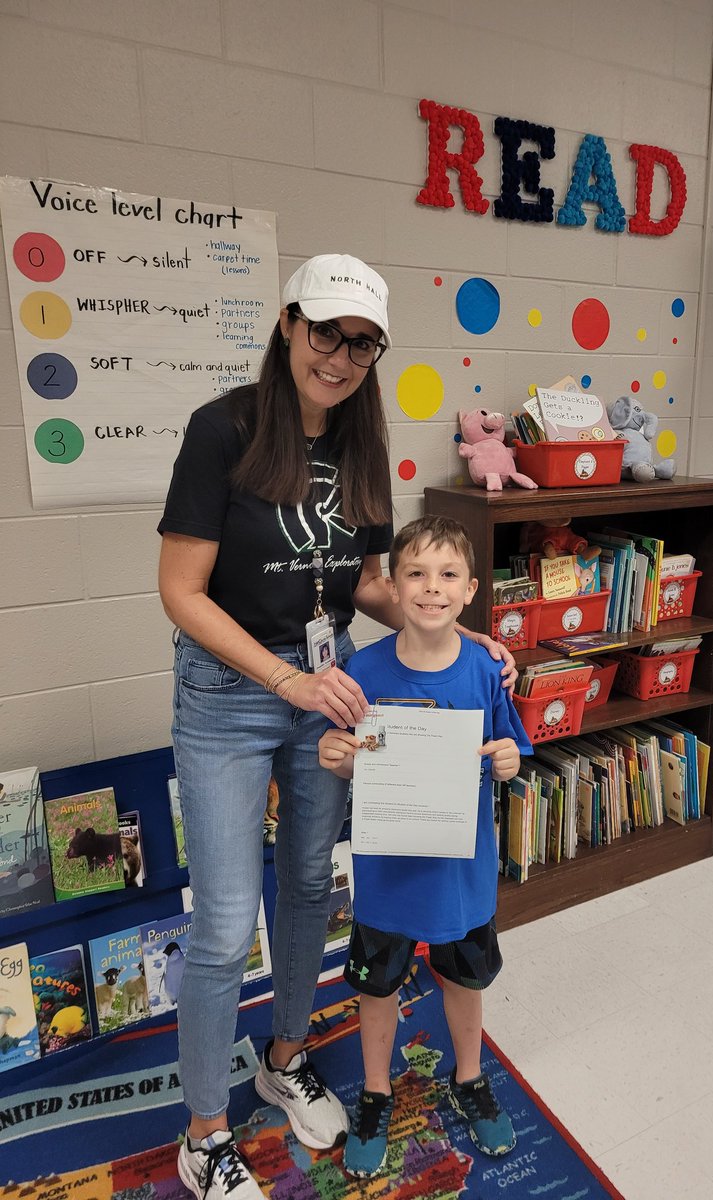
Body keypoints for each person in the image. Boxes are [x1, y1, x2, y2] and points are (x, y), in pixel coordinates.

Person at [157, 257, 515, 1200]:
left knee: (312, 885)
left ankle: (283, 1058)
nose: (342, 356)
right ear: (288, 325)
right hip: (234, 697)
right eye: (326, 332)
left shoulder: (360, 440)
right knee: (228, 926)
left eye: (363, 342)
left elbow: (362, 582)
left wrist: (453, 631)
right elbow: (179, 591)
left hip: (335, 686)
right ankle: (203, 1133)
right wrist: (286, 679)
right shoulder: (223, 429)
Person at [318, 515, 532, 1179]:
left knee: (463, 979)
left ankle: (468, 1078)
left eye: (447, 576)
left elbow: (514, 749)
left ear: (470, 591)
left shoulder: (484, 670)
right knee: (377, 986)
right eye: (415, 572)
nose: (431, 588)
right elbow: (356, 755)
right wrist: (339, 758)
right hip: (387, 873)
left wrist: (505, 762)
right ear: (393, 584)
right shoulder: (364, 667)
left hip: (460, 876)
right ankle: (377, 1093)